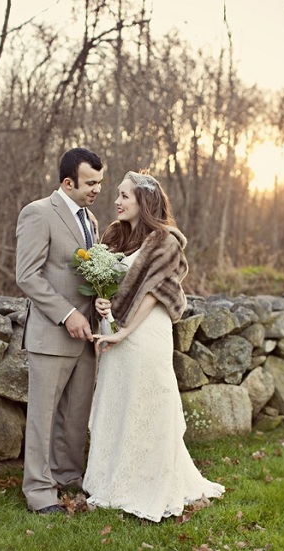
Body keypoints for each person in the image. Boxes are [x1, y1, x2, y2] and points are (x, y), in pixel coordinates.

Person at [83, 171, 225, 522]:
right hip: (114, 328)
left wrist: (123, 332)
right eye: (117, 194)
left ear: (143, 202)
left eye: (124, 196)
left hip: (144, 333)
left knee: (149, 400)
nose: (116, 201)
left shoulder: (165, 241)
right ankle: (111, 478)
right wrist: (103, 304)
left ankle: (149, 481)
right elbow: (109, 285)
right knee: (119, 400)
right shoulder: (114, 237)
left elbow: (153, 293)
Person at [16, 147, 104, 514]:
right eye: (90, 183)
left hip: (87, 337)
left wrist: (101, 302)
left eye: (101, 181)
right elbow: (27, 276)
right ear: (68, 182)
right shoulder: (38, 213)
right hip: (52, 335)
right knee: (43, 418)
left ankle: (67, 477)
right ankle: (38, 492)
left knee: (75, 416)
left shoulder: (92, 221)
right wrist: (67, 314)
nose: (97, 189)